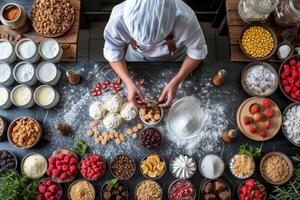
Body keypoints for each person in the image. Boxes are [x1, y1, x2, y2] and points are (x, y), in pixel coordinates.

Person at [103, 0, 208, 107]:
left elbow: (197, 52)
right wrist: (129, 83)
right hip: (137, 55)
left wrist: (177, 81)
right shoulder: (118, 18)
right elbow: (113, 51)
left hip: (175, 57)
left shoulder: (186, 18)